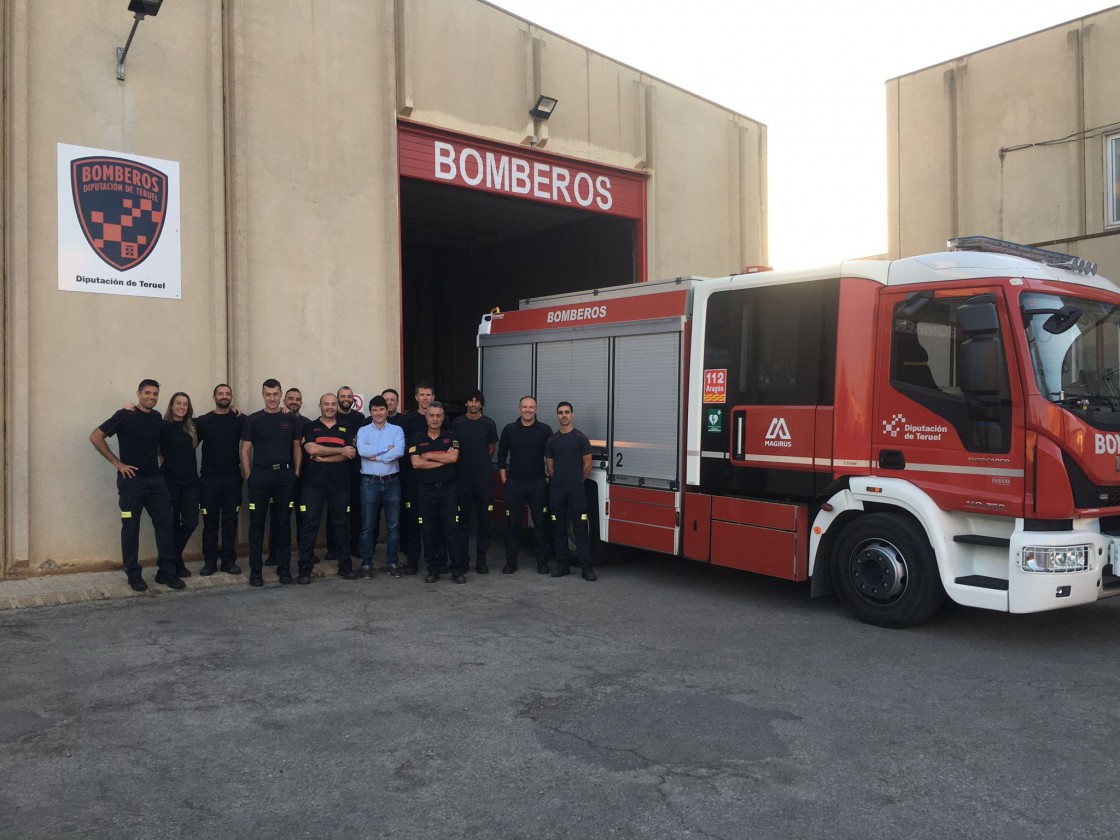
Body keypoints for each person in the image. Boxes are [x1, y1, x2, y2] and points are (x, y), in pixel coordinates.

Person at [89, 379, 182, 591]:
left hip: (156, 481)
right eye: (147, 393)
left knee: (166, 524)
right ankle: (133, 574)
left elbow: (155, 439)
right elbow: (96, 437)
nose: (151, 397)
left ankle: (166, 572)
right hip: (132, 482)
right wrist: (118, 463)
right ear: (139, 394)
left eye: (155, 394)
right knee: (131, 528)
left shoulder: (157, 417)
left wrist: (160, 455)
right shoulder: (125, 415)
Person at [240, 379, 302, 587]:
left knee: (283, 523)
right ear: (263, 395)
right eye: (268, 394)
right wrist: (249, 475)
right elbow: (245, 450)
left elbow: (296, 447)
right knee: (256, 524)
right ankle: (256, 571)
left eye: (276, 394)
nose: (272, 398)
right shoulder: (254, 420)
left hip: (284, 476)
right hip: (260, 476)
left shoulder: (291, 419)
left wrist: (296, 472)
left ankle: (284, 568)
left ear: (280, 394)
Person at [297, 394, 358, 584]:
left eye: (333, 404)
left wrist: (325, 457)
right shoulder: (309, 426)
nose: (330, 407)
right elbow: (311, 449)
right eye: (326, 404)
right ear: (320, 406)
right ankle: (305, 569)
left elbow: (350, 453)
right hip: (313, 484)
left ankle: (345, 566)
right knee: (309, 525)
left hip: (340, 484)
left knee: (340, 525)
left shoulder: (346, 428)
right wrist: (340, 450)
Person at [409, 401, 467, 583]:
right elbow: (416, 463)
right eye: (431, 415)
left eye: (438, 416)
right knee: (428, 530)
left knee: (452, 530)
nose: (435, 419)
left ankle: (456, 570)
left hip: (448, 490)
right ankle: (432, 569)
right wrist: (442, 460)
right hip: (425, 491)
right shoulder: (417, 438)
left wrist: (427, 455)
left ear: (443, 418)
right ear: (426, 417)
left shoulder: (452, 437)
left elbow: (454, 457)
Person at [497, 395, 552, 574]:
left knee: (540, 524)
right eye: (524, 407)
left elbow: (551, 455)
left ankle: (542, 562)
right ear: (519, 408)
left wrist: (548, 477)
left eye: (531, 407)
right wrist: (504, 476)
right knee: (513, 523)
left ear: (536, 409)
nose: (528, 410)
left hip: (538, 483)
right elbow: (501, 453)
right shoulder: (509, 429)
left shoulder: (545, 430)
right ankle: (511, 561)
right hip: (515, 483)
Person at [195, 384, 244, 576]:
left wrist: (282, 409)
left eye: (227, 394)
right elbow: (181, 434)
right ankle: (209, 562)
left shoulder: (240, 419)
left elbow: (262, 421)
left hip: (232, 479)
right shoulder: (203, 421)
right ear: (214, 396)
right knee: (210, 522)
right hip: (208, 480)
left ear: (231, 397)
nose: (224, 396)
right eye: (220, 394)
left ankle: (228, 561)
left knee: (231, 522)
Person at [545, 401, 596, 581]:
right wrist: (560, 481)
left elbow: (588, 464)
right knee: (559, 528)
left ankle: (586, 568)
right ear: (557, 416)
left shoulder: (581, 438)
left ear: (572, 415)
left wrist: (575, 481)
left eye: (567, 412)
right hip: (557, 489)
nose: (564, 415)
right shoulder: (552, 440)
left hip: (576, 490)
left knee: (580, 528)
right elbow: (550, 466)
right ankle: (562, 565)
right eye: (560, 412)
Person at [357, 395, 405, 579]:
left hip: (392, 482)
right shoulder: (363, 430)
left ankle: (392, 563)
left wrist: (376, 455)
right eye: (375, 410)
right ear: (371, 412)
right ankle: (366, 564)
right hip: (370, 482)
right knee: (368, 526)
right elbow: (362, 451)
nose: (378, 413)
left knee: (393, 526)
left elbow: (399, 451)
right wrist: (387, 449)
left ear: (387, 411)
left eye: (382, 409)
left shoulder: (397, 429)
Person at [453, 390, 498, 573]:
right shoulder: (457, 424)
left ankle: (481, 559)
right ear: (466, 404)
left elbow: (491, 449)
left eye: (476, 401)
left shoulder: (489, 424)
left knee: (484, 521)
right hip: (462, 480)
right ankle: (463, 559)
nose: (473, 404)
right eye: (470, 401)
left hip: (483, 481)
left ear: (481, 404)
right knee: (462, 523)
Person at [400, 382, 443, 573]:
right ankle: (413, 561)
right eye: (422, 395)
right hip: (414, 478)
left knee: (437, 522)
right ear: (416, 397)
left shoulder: (442, 419)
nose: (425, 398)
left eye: (429, 395)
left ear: (433, 397)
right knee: (413, 521)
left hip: (436, 479)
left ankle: (438, 561)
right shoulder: (408, 420)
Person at [160, 392, 200, 579]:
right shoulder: (163, 426)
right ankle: (175, 563)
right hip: (170, 482)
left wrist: (233, 409)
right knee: (172, 524)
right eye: (178, 403)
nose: (182, 407)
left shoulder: (192, 427)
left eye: (185, 404)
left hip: (191, 483)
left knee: (191, 521)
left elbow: (217, 416)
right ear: (172, 405)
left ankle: (171, 558)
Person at [334, 385, 367, 560]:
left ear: (353, 400)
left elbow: (360, 441)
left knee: (356, 510)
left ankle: (355, 547)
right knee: (336, 511)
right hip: (336, 471)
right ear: (338, 398)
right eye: (343, 396)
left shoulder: (359, 417)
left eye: (349, 396)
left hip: (356, 470)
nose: (346, 399)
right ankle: (333, 548)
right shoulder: (333, 416)